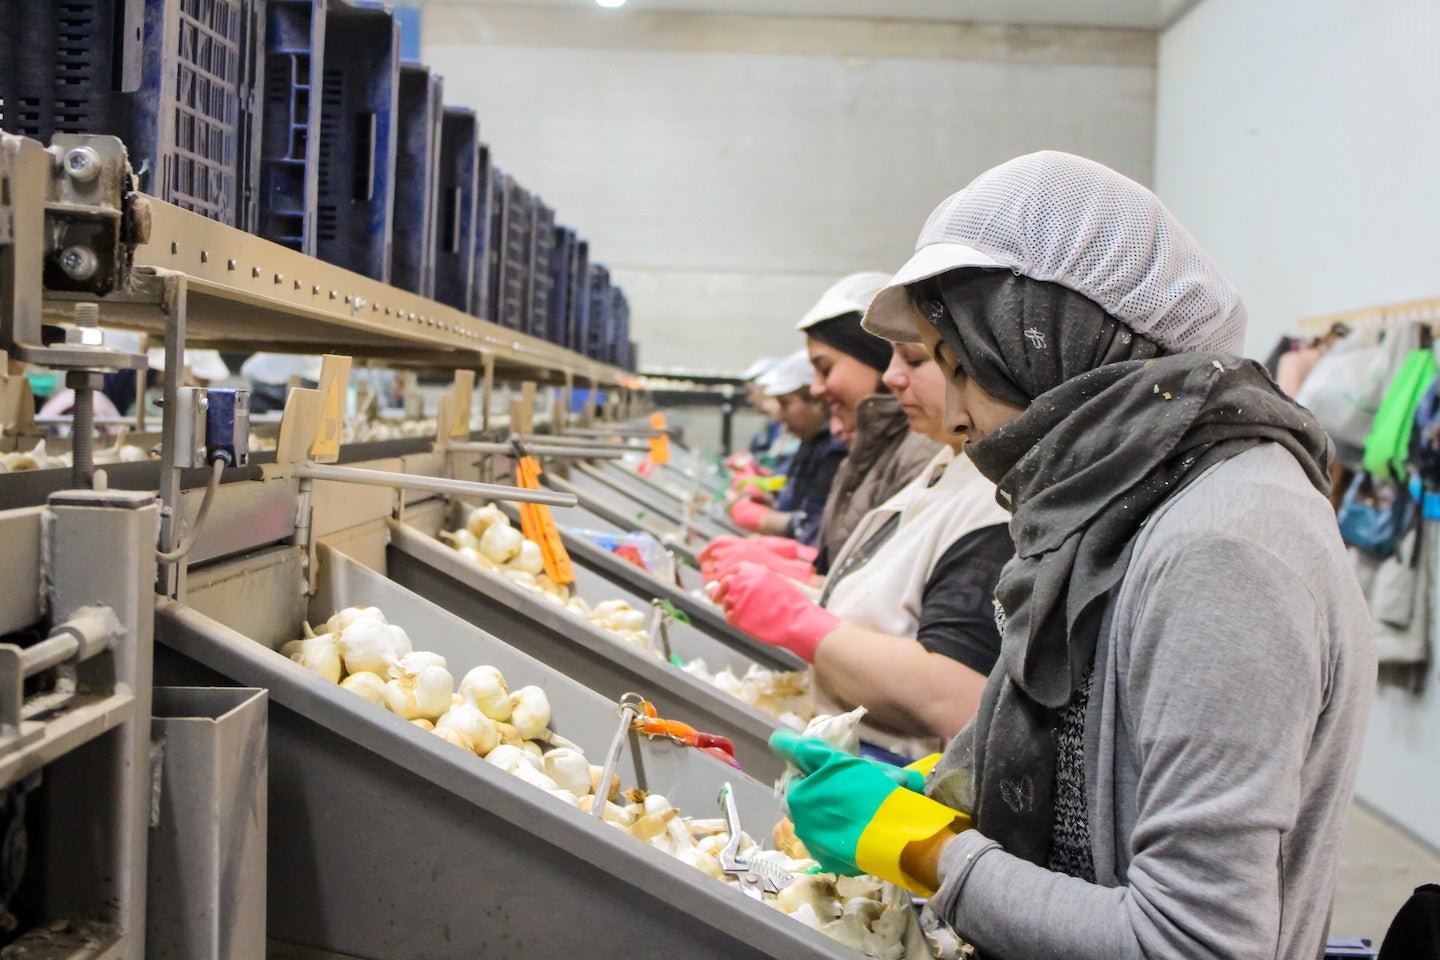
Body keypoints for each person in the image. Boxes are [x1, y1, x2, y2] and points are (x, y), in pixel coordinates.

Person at [771, 151, 1374, 960]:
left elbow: (1196, 944)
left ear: (1043, 347)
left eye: (960, 367)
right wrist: (951, 790)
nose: (950, 413)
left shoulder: (1223, 547)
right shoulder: (1122, 509)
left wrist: (927, 849)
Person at [706, 338, 1014, 757]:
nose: (892, 377)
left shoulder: (993, 494)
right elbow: (890, 582)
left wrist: (799, 616)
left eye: (917, 358)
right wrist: (799, 581)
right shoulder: (946, 464)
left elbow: (958, 694)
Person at [800, 272, 939, 571]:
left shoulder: (923, 451)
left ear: (872, 354)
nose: (815, 388)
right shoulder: (871, 445)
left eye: (825, 369)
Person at [727, 351, 846, 548]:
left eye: (785, 404)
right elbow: (796, 496)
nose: (779, 416)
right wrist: (768, 497)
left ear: (816, 400)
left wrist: (763, 518)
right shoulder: (811, 441)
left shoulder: (835, 450)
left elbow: (816, 526)